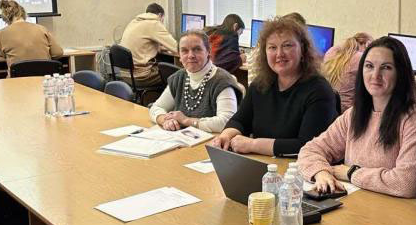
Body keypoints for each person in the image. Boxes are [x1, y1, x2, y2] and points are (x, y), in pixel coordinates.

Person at [299, 36, 416, 198]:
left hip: (405, 208)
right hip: (363, 201)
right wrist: (321, 172)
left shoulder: (415, 116)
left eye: (386, 67)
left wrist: (351, 173)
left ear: (401, 74)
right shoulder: (355, 113)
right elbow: (310, 150)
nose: (375, 75)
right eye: (369, 66)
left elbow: (407, 184)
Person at [210, 15, 337, 156]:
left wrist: (253, 144)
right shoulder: (260, 84)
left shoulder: (319, 90)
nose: (279, 54)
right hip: (262, 163)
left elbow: (307, 146)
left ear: (302, 49)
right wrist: (226, 136)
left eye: (287, 45)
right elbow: (240, 120)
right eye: (272, 47)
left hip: (297, 167)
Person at [149, 31, 244, 134]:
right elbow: (156, 107)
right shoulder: (179, 77)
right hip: (183, 139)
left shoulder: (222, 81)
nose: (191, 55)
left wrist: (187, 121)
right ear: (179, 55)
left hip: (212, 140)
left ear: (208, 52)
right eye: (184, 51)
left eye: (197, 49)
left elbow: (227, 121)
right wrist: (165, 120)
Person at [119, 2, 178, 87]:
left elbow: (144, 45)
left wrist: (163, 48)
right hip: (141, 77)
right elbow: (177, 48)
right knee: (178, 74)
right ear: (160, 15)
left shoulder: (134, 21)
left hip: (125, 74)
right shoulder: (154, 23)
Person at [0, 0, 62, 70]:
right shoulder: (42, 29)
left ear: (5, 17)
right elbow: (58, 53)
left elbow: (4, 55)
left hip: (18, 76)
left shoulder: (1, 33)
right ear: (23, 13)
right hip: (44, 75)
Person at [321, 32, 373, 112]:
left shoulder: (331, 52)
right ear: (366, 45)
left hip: (325, 106)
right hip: (345, 112)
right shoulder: (361, 58)